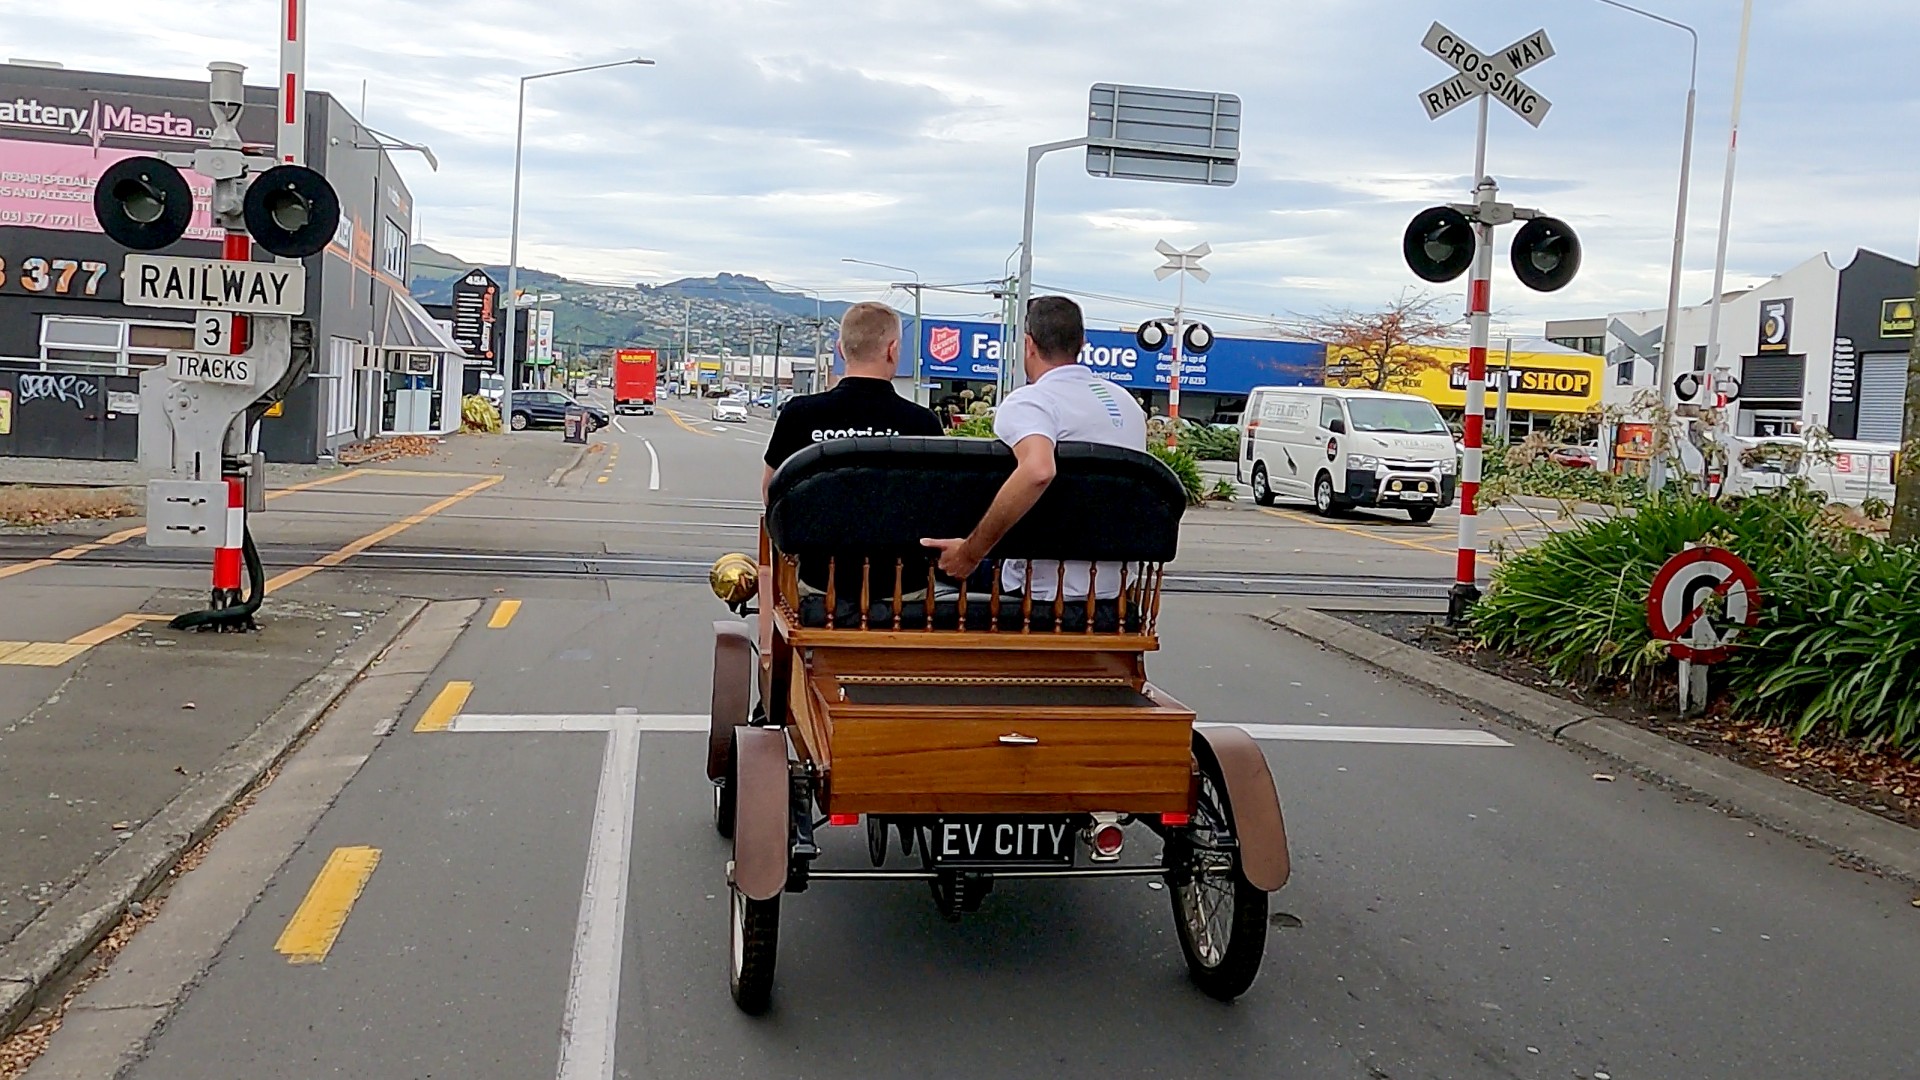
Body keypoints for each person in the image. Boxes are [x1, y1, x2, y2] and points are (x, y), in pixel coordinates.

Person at [921, 296, 1147, 600]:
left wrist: (970, 553)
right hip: (1115, 588)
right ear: (1082, 343)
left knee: (927, 561)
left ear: (1028, 344)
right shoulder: (1126, 403)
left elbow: (1038, 470)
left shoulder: (1032, 401)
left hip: (1038, 587)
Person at [764, 301, 942, 592]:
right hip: (902, 587)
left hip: (822, 582)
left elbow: (772, 492)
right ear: (893, 349)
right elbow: (938, 508)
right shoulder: (922, 423)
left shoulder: (799, 414)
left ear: (840, 349)